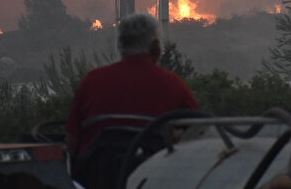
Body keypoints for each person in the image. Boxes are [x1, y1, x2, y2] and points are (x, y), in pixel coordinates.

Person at [66, 11, 198, 155]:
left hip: (95, 173)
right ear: (156, 48)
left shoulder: (91, 81)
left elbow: (72, 141)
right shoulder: (172, 84)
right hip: (153, 172)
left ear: (120, 46)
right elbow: (199, 129)